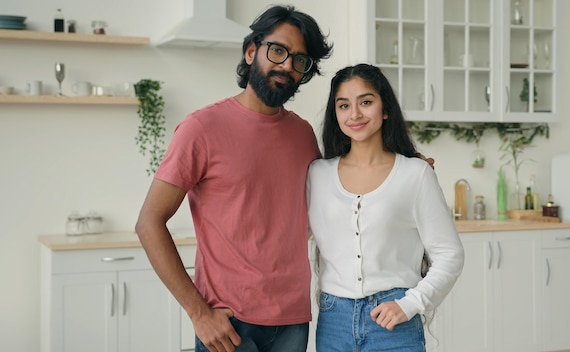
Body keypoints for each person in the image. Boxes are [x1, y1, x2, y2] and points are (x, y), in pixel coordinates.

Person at [135, 5, 333, 352]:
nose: (287, 65)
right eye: (278, 50)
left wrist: (403, 164)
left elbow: (335, 196)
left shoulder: (302, 135)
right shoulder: (201, 128)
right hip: (227, 322)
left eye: (300, 61)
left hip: (293, 320)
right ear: (251, 50)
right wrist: (198, 313)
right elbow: (149, 222)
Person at [306, 63, 464, 351]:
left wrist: (411, 304)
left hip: (394, 322)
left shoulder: (415, 174)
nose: (354, 114)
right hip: (333, 322)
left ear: (385, 109)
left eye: (366, 102)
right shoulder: (317, 175)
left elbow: (449, 254)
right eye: (343, 105)